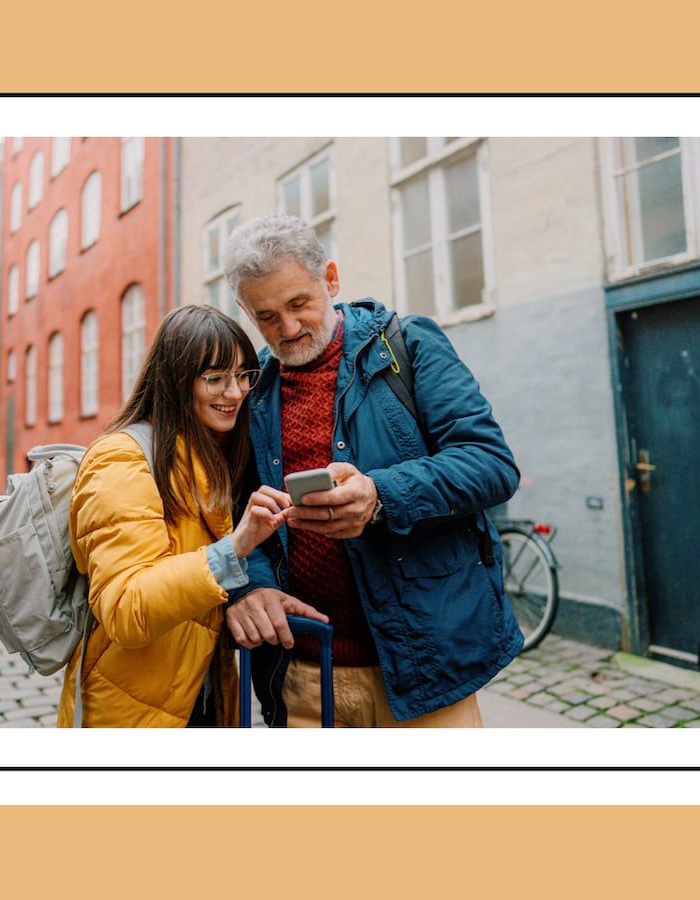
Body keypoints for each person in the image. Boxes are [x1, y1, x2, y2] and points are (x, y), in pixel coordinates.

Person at [221, 214, 523, 728]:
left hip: (423, 673)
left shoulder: (409, 345)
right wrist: (252, 585)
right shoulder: (253, 392)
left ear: (331, 280)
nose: (288, 329)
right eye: (267, 317)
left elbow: (491, 463)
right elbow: (240, 514)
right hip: (306, 676)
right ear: (246, 311)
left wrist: (380, 495)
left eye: (299, 304)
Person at [57, 305, 326, 727]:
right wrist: (234, 548)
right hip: (132, 713)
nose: (235, 393)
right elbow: (127, 608)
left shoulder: (207, 456)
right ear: (176, 381)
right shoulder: (121, 459)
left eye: (243, 376)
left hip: (198, 700)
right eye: (215, 378)